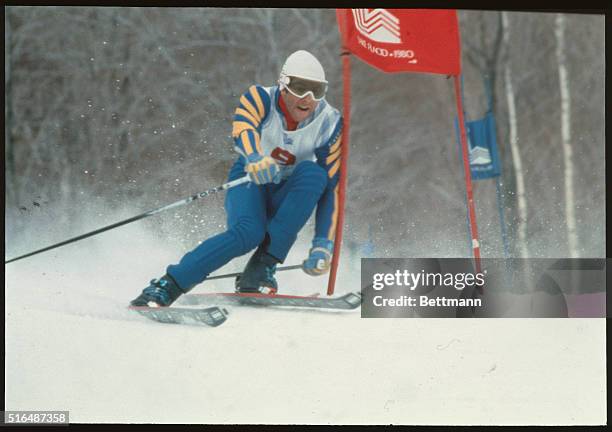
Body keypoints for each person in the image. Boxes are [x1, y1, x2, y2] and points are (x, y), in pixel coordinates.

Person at [130, 50, 343, 307]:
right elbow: (243, 127)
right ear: (283, 85)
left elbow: (331, 188)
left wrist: (322, 243)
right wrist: (254, 157)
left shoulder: (330, 122)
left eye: (317, 91)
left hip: (289, 193)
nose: (308, 99)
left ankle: (260, 270)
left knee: (315, 175)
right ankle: (167, 285)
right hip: (251, 180)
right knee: (248, 233)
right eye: (300, 88)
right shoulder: (260, 97)